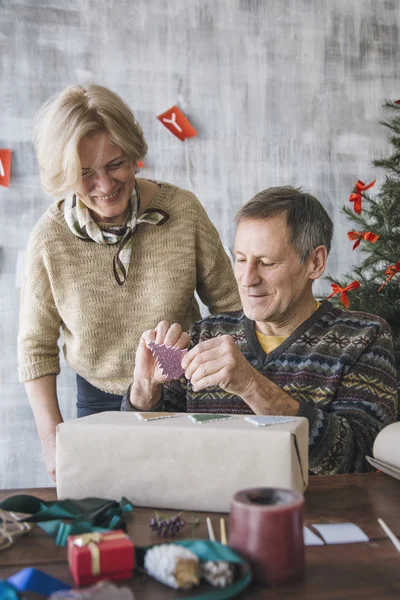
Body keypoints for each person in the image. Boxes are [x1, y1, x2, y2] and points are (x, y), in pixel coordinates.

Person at [18, 84, 241, 481]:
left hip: (181, 391)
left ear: (134, 153)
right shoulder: (49, 239)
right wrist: (51, 440)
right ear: (65, 174)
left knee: (185, 501)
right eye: (85, 174)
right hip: (97, 402)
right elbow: (35, 348)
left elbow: (231, 308)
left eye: (115, 164)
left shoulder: (182, 212)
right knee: (110, 514)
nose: (104, 185)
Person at [122, 186, 398, 475]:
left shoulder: (364, 337)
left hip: (311, 515)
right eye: (241, 259)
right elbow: (149, 453)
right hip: (209, 510)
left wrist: (252, 386)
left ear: (314, 263)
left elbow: (361, 459)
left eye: (266, 263)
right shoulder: (206, 333)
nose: (247, 278)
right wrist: (145, 390)